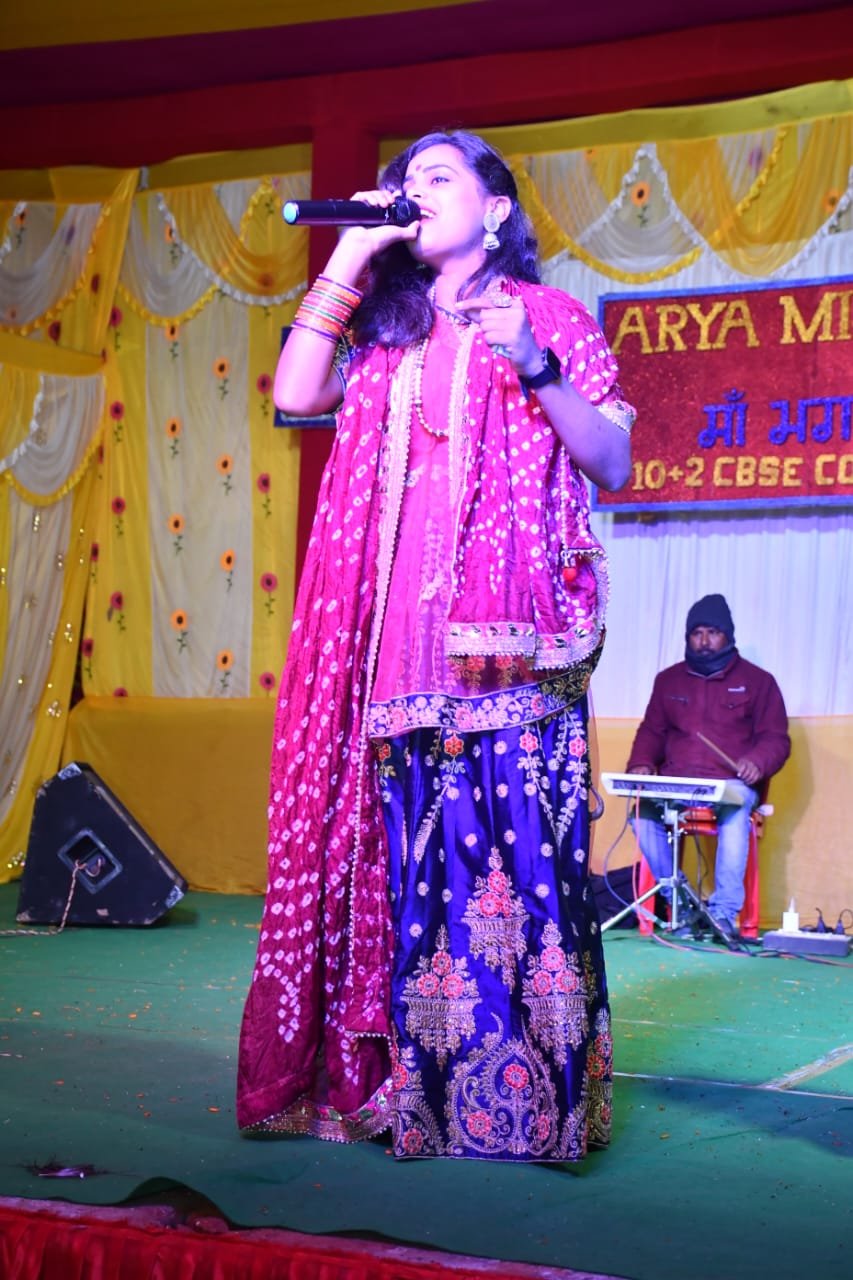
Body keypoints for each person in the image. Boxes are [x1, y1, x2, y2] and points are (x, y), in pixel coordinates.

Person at [236, 130, 634, 1162]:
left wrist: (534, 362)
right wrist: (348, 253)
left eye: (438, 176)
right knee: (414, 885)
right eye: (404, 180)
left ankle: (526, 1110)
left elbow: (613, 459)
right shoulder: (387, 332)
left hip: (514, 660)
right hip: (396, 660)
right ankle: (415, 1100)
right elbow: (293, 394)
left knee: (518, 882)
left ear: (495, 209)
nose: (414, 190)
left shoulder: (548, 315)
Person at [626, 593, 790, 939]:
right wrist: (641, 763)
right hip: (676, 783)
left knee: (736, 810)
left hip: (730, 784)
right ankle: (683, 906)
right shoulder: (668, 681)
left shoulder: (759, 682)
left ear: (728, 635)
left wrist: (756, 762)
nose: (704, 641)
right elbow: (652, 731)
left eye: (712, 632)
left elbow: (776, 739)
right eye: (696, 633)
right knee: (640, 813)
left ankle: (722, 914)